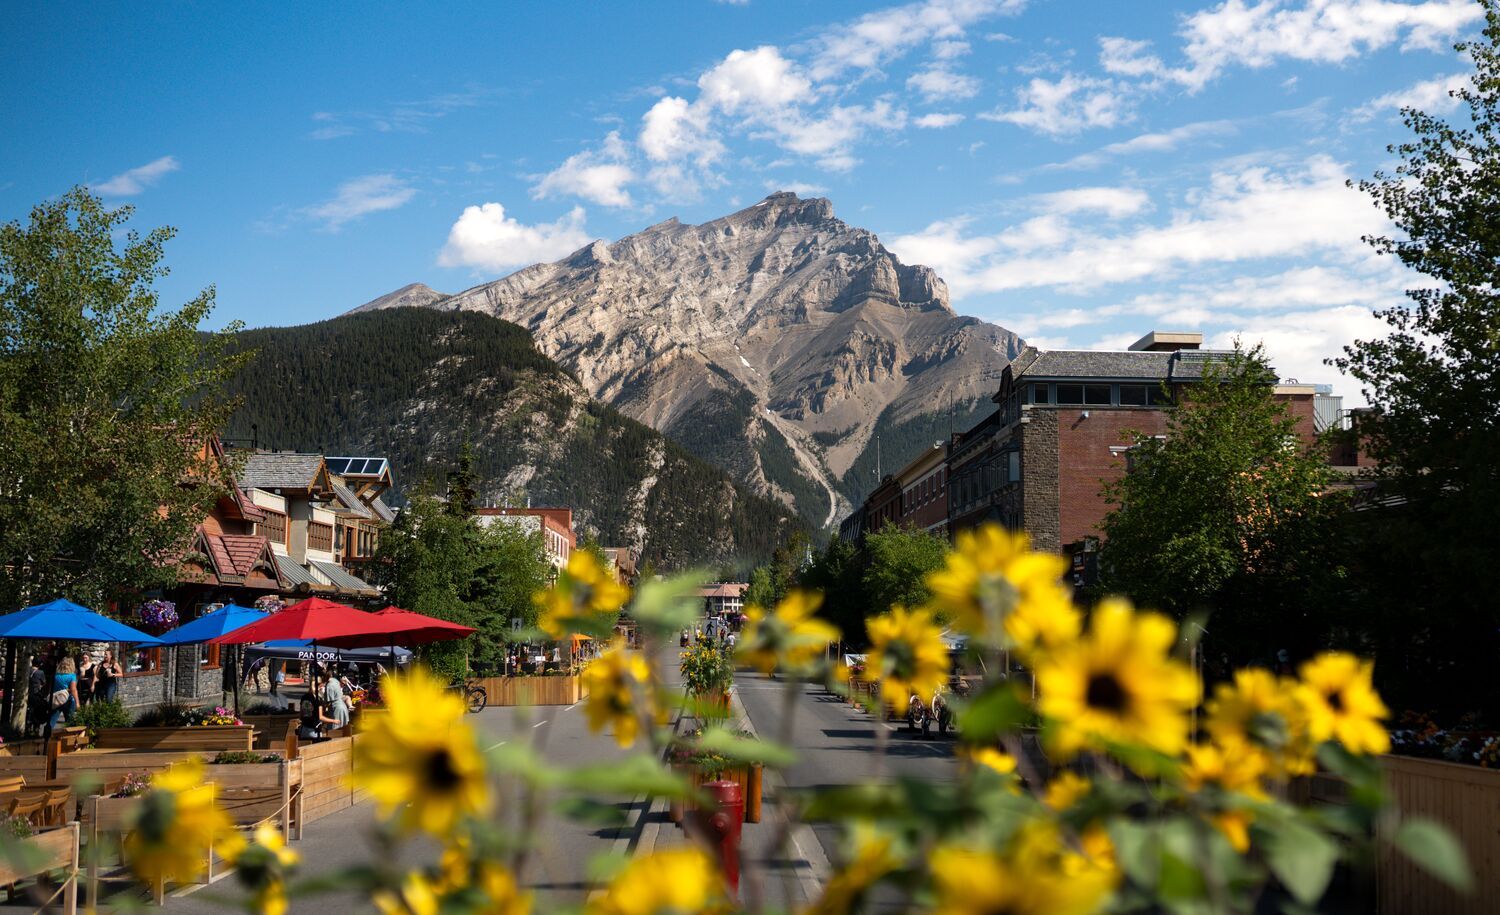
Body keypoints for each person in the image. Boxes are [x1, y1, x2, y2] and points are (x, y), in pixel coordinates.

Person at [50, 657, 80, 730]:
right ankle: (70, 737)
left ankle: (47, 736)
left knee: (52, 719)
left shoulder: (55, 675)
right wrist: (77, 702)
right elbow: (73, 690)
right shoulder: (72, 676)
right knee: (69, 721)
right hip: (67, 700)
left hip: (56, 700)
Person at [319, 669, 350, 733]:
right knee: (343, 730)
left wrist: (322, 707)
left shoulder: (329, 685)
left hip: (336, 708)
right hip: (343, 706)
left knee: (335, 731)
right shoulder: (336, 681)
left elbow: (329, 701)